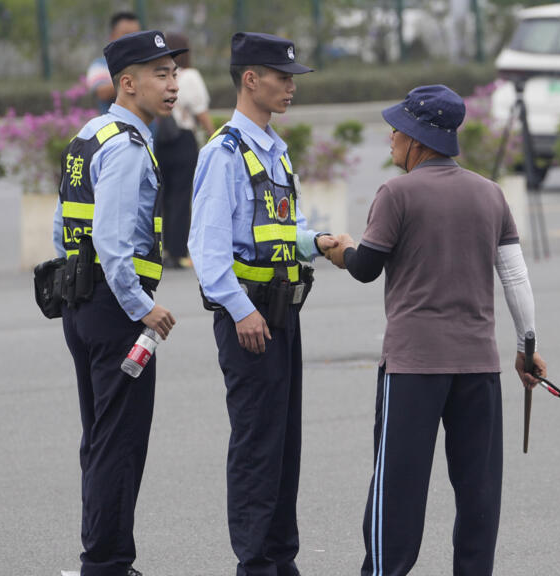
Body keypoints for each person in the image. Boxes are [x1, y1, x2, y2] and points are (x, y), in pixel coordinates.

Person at [325, 84, 548, 576]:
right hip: (478, 368)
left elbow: (366, 267)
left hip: (414, 369)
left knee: (397, 490)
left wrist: (338, 249)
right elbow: (514, 276)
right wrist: (526, 347)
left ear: (418, 139)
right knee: (478, 492)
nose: (390, 139)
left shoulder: (396, 193)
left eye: (397, 130)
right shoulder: (490, 194)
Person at [187, 32, 338, 576]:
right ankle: (255, 562)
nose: (290, 86)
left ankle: (280, 556)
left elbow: (279, 227)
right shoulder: (223, 153)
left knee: (283, 444)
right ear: (251, 78)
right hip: (248, 318)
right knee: (256, 445)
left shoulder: (273, 149)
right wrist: (240, 309)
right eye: (282, 76)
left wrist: (317, 242)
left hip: (282, 313)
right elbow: (205, 250)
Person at [53, 30, 182, 576]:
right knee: (119, 443)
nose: (173, 83)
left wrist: (75, 289)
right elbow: (111, 238)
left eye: (174, 72)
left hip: (82, 305)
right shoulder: (127, 146)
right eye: (160, 74)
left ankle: (102, 556)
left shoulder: (90, 134)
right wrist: (139, 305)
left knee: (101, 438)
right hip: (115, 311)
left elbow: (65, 226)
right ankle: (106, 563)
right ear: (127, 84)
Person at [153, 32, 212, 269]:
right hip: (183, 139)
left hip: (162, 140)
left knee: (163, 197)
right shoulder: (190, 76)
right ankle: (178, 252)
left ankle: (163, 249)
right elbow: (201, 111)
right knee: (181, 196)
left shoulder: (159, 77)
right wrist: (214, 135)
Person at [86, 12, 141, 114]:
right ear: (112, 36)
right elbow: (102, 93)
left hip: (148, 129)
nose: (132, 39)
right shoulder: (100, 66)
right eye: (126, 34)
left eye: (136, 34)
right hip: (115, 128)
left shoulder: (147, 62)